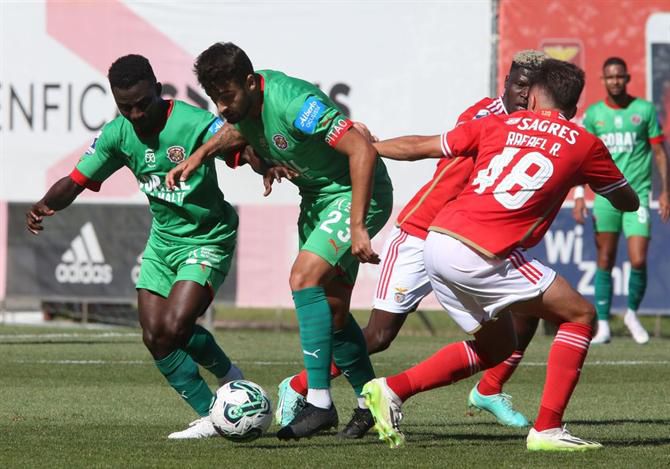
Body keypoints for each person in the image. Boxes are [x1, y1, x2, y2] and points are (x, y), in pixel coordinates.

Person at [360, 59, 639, 451]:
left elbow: (420, 146)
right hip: (481, 251)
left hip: (438, 241)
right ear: (573, 108)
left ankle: (390, 390)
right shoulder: (584, 143)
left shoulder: (497, 123)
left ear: (535, 95)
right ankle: (547, 429)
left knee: (497, 347)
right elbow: (627, 200)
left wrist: (364, 149)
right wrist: (599, 178)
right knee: (580, 314)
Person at [274, 50, 548, 438]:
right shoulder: (485, 117)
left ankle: (488, 389)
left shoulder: (538, 127)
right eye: (519, 84)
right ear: (505, 83)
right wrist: (369, 146)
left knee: (526, 314)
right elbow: (426, 146)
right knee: (379, 336)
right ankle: (301, 385)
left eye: (532, 87)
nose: (525, 94)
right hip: (424, 232)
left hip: (472, 242)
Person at [165, 42, 394, 440]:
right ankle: (369, 403)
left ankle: (319, 402)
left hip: (357, 194)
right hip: (319, 199)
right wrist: (200, 155)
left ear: (251, 83)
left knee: (303, 278)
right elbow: (235, 131)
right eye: (216, 99)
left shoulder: (293, 102)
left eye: (228, 96)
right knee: (335, 314)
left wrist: (358, 225)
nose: (221, 107)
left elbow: (361, 150)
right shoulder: (243, 108)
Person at [26, 55, 245, 439]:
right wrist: (46, 204)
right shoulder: (118, 133)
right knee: (155, 335)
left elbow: (240, 143)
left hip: (207, 235)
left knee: (176, 326)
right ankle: (212, 416)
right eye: (125, 106)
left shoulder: (192, 122)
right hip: (163, 241)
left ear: (158, 90)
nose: (136, 113)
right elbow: (76, 179)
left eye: (143, 103)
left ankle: (231, 378)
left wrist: (267, 163)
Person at [573, 57, 669, 344]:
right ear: (603, 80)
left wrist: (665, 191)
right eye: (609, 77)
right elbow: (581, 158)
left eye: (619, 77)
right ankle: (602, 324)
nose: (615, 81)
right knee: (605, 259)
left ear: (627, 78)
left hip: (637, 197)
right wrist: (579, 195)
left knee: (638, 259)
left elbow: (660, 153)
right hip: (605, 198)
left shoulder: (644, 110)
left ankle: (631, 313)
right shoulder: (593, 115)